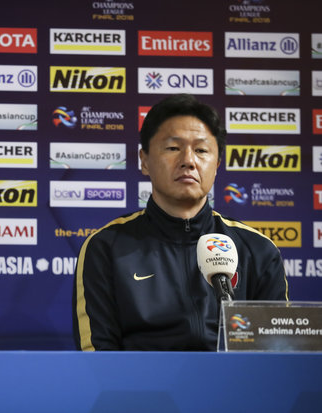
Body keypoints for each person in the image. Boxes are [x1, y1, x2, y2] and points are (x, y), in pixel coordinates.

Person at [73, 94, 288, 351]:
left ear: (217, 164)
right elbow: (98, 356)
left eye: (201, 150)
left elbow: (277, 353)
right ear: (144, 160)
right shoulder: (106, 247)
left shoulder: (257, 249)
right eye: (173, 148)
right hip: (139, 389)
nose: (188, 160)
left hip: (235, 389)